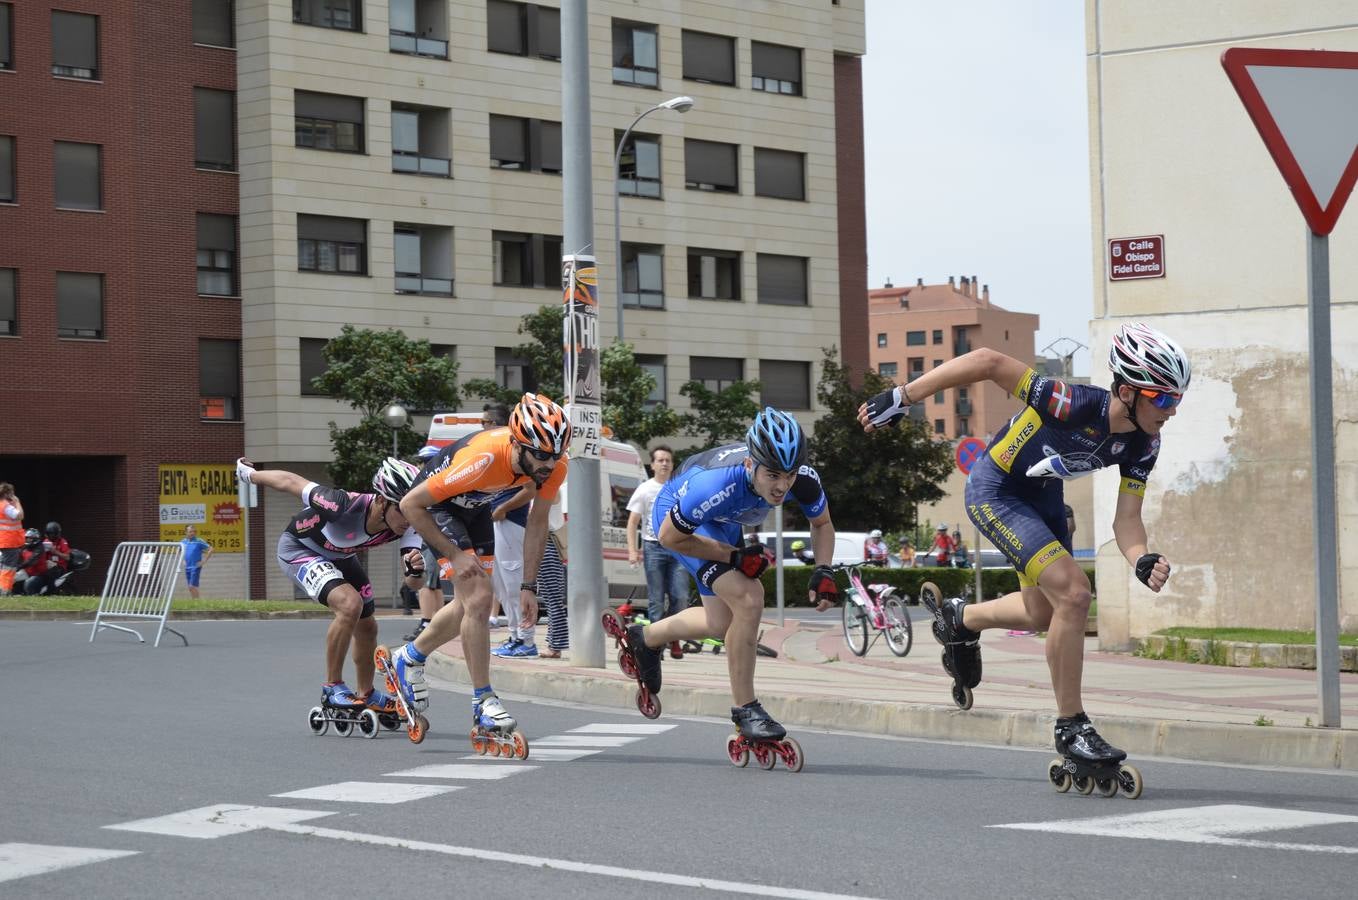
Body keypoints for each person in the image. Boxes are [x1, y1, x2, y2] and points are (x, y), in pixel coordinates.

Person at [860, 321, 1186, 771]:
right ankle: (1072, 727)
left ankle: (961, 618)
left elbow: (1127, 519)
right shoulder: (1071, 403)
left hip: (1044, 498)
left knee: (1043, 613)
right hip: (997, 490)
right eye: (1164, 398)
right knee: (1075, 594)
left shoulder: (1145, 444)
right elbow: (989, 361)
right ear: (1128, 390)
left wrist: (1141, 558)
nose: (1172, 409)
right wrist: (903, 397)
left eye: (1178, 398)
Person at [621, 408, 839, 743]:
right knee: (749, 599)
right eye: (773, 476)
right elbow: (669, 538)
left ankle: (645, 638)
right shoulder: (715, 484)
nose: (783, 487)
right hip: (678, 519)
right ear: (751, 465)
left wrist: (822, 569)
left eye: (790, 475)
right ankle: (745, 707)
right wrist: (733, 555)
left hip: (723, 520)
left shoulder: (803, 479)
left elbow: (821, 523)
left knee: (720, 624)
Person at [388, 393, 571, 739]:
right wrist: (453, 555)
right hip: (436, 506)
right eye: (542, 456)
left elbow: (537, 524)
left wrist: (528, 586)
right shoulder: (484, 457)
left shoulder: (555, 465)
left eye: (556, 455)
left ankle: (409, 657)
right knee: (479, 597)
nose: (550, 464)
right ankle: (483, 700)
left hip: (475, 506)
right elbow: (410, 504)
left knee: (468, 605)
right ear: (518, 444)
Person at [236, 455, 418, 717]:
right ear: (381, 499)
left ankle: (366, 692)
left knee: (368, 626)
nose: (409, 518)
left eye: (413, 508)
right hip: (299, 550)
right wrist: (247, 474)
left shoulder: (409, 524)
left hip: (341, 556)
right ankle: (332, 686)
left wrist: (416, 569)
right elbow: (290, 481)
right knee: (349, 604)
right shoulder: (340, 504)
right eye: (402, 508)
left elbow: (414, 582)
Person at [626, 445, 690, 659]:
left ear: (672, 465)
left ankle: (675, 638)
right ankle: (655, 644)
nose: (664, 463)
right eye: (660, 460)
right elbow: (633, 521)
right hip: (653, 547)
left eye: (668, 460)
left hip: (678, 547)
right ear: (652, 465)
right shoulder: (645, 489)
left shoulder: (679, 488)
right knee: (656, 600)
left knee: (680, 596)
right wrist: (632, 551)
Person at [404, 443, 449, 642]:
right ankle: (437, 623)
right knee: (435, 583)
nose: (420, 465)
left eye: (423, 461)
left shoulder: (430, 484)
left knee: (426, 583)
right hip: (437, 536)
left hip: (430, 537)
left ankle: (426, 622)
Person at [0, 483, 26, 596]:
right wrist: (17, 502)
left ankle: (4, 590)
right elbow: (19, 515)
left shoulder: (2, 504)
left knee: (4, 566)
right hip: (10, 541)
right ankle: (5, 592)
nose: (13, 494)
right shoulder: (6, 506)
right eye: (11, 492)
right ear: (6, 493)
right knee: (9, 568)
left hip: (5, 541)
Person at [17, 528, 59, 595]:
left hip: (39, 574)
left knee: (29, 584)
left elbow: (32, 560)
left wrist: (19, 567)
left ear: (35, 539)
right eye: (27, 538)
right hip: (27, 572)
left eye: (30, 538)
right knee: (12, 578)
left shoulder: (39, 548)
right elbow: (17, 555)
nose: (28, 540)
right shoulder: (24, 547)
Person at [179, 525, 214, 599]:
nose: (192, 533)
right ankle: (194, 602)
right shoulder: (183, 542)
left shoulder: (199, 541)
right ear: (186, 532)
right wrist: (183, 560)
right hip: (187, 567)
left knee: (192, 586)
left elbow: (211, 549)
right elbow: (180, 552)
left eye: (194, 531)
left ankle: (197, 602)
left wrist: (204, 561)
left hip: (195, 567)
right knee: (190, 587)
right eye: (190, 531)